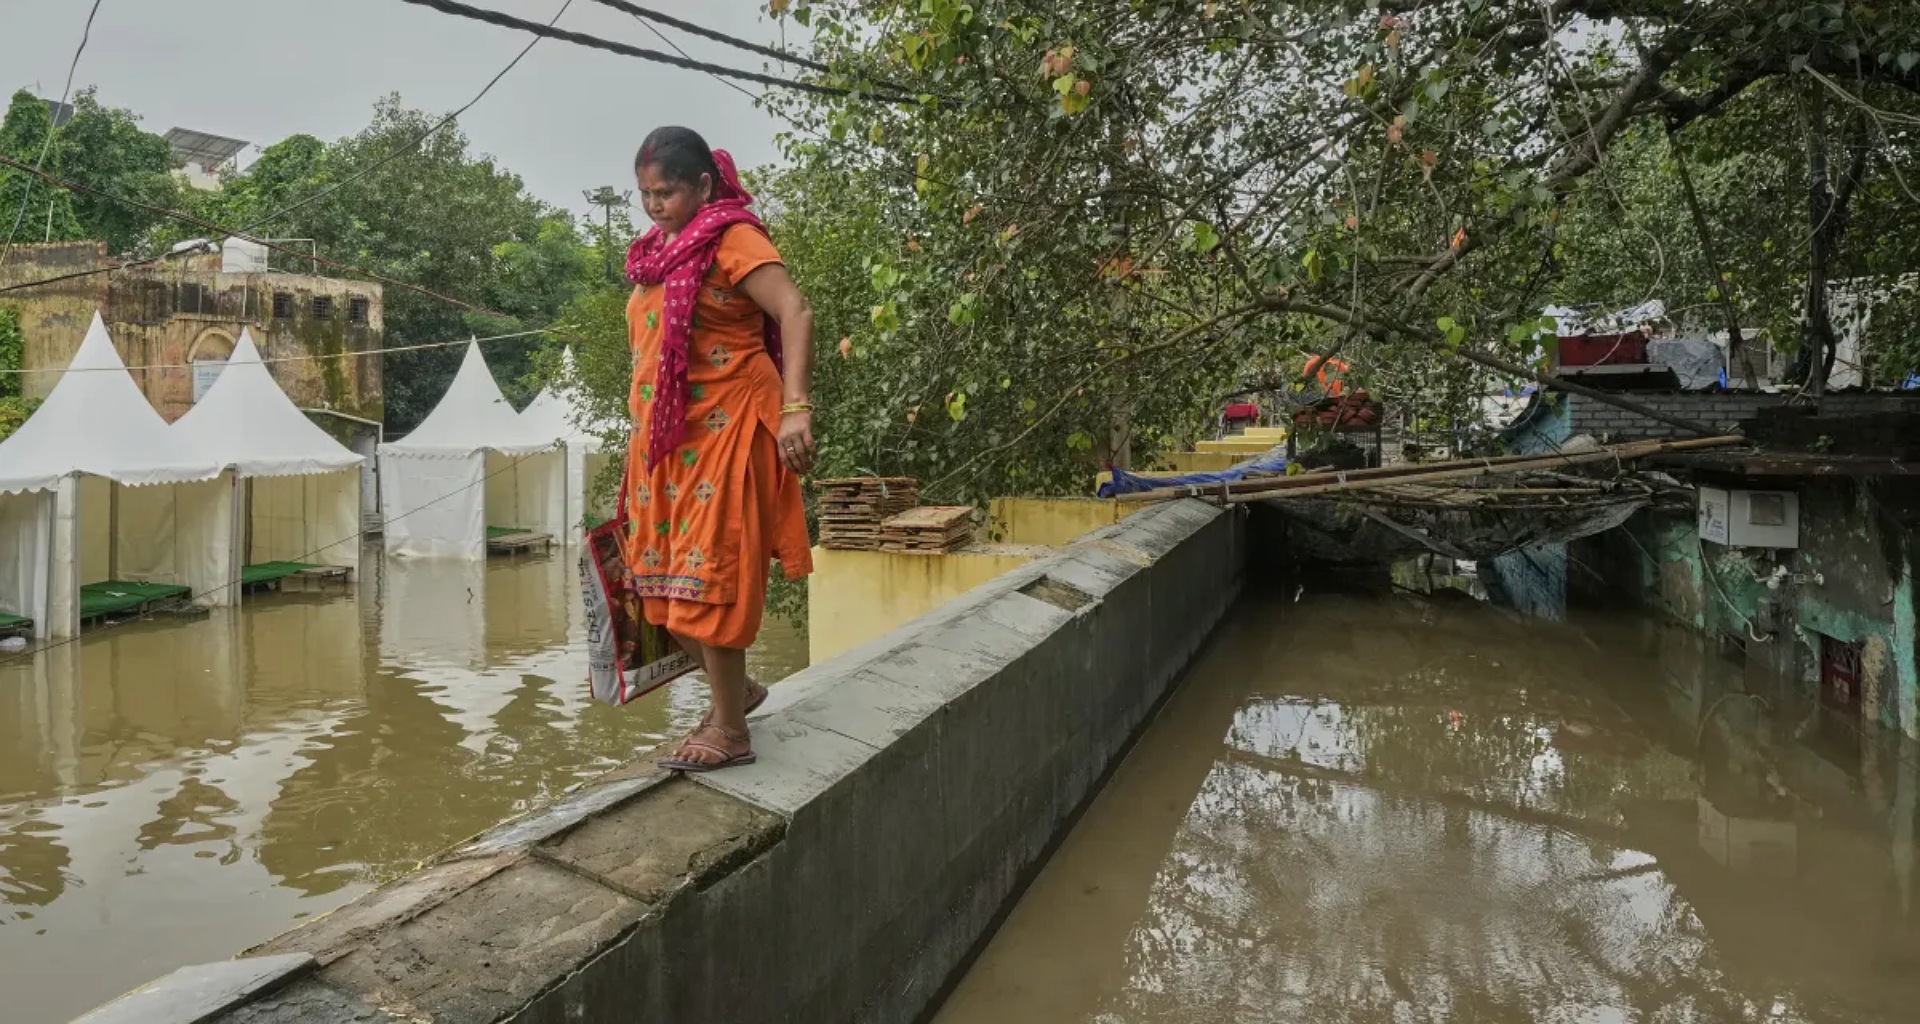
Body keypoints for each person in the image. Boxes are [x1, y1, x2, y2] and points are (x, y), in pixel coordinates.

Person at [622, 126, 815, 772]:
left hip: (732, 427)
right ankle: (741, 694)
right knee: (657, 590)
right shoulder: (655, 253)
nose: (654, 206)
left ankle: (731, 729)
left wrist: (795, 411)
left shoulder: (734, 237)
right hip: (666, 445)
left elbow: (795, 310)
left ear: (704, 186)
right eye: (646, 194)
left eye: (667, 192)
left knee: (710, 582)